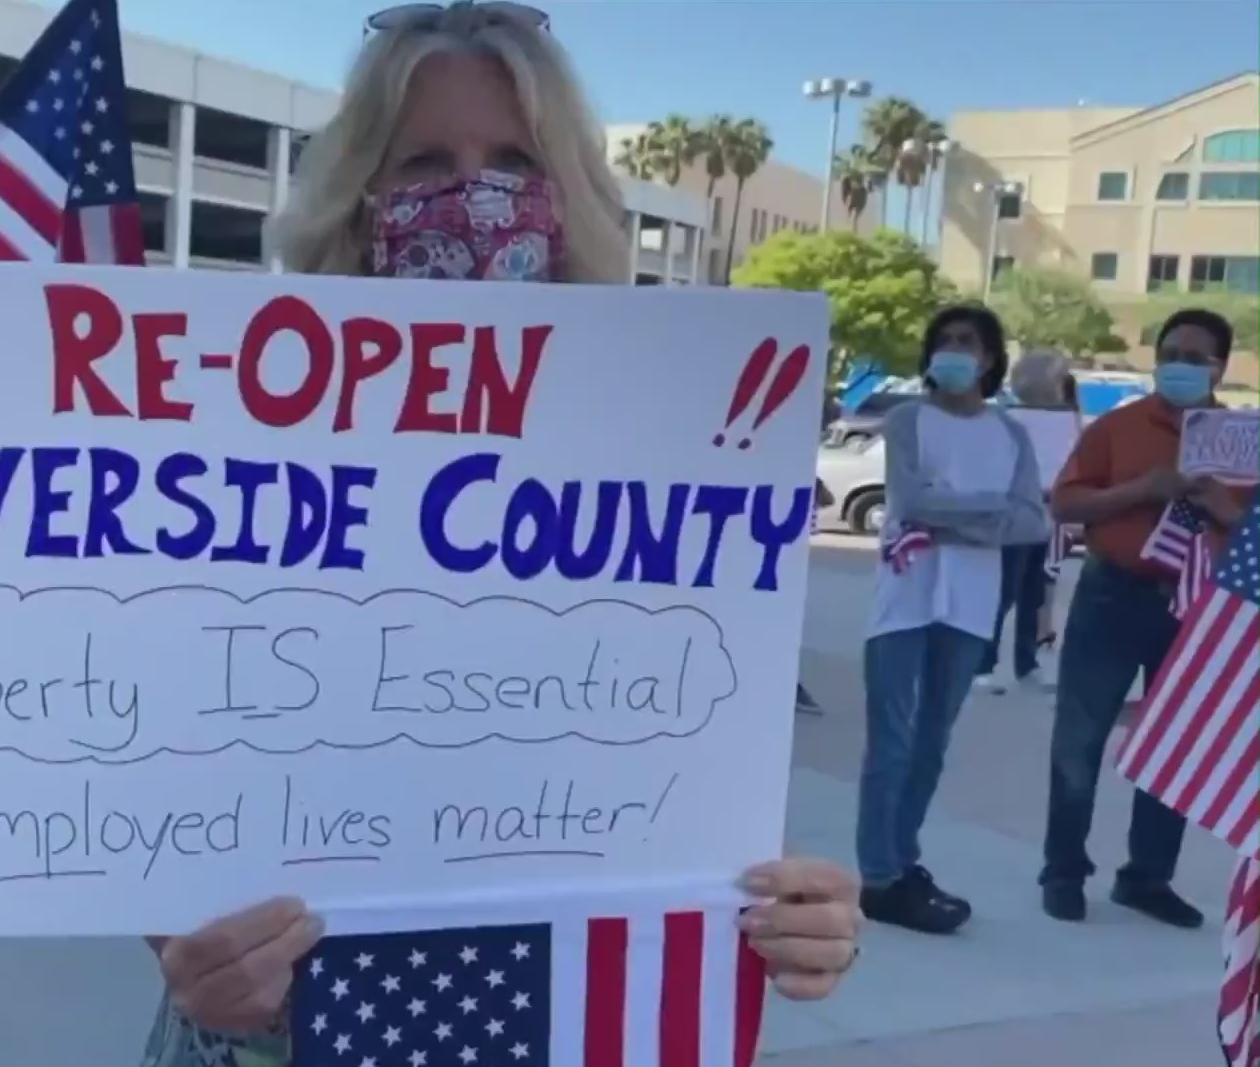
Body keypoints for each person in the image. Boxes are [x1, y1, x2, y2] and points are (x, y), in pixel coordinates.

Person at [138, 7, 864, 1064]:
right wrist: (189, 949)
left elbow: (681, 793)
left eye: (515, 162)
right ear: (357, 197)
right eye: (426, 160)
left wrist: (800, 914)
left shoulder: (666, 461)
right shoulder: (230, 452)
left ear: (569, 198)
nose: (474, 197)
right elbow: (143, 790)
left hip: (555, 1013)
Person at [1039, 307, 1251, 928]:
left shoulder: (1243, 442)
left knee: (1174, 747)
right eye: (1171, 353)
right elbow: (1066, 503)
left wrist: (1225, 511)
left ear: (1220, 367)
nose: (1180, 366)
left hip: (1196, 605)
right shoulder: (1119, 428)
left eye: (1195, 357)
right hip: (1113, 593)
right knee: (1079, 742)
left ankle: (1148, 877)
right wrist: (1140, 491)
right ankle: (1063, 871)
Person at [855, 306, 1049, 935]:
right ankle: (878, 877)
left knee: (932, 743)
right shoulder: (909, 418)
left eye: (967, 342)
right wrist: (985, 516)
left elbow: (1032, 522)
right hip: (905, 596)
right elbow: (908, 502)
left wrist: (948, 514)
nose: (954, 351)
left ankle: (902, 859)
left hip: (969, 604)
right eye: (944, 341)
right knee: (891, 741)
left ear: (990, 359)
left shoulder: (1010, 435)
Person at [972, 348, 1071, 694]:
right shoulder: (1005, 419)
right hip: (1015, 516)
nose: (1064, 385)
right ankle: (982, 664)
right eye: (1060, 377)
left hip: (1049, 516)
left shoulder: (1068, 418)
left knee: (1036, 592)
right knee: (1004, 593)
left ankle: (1026, 663)